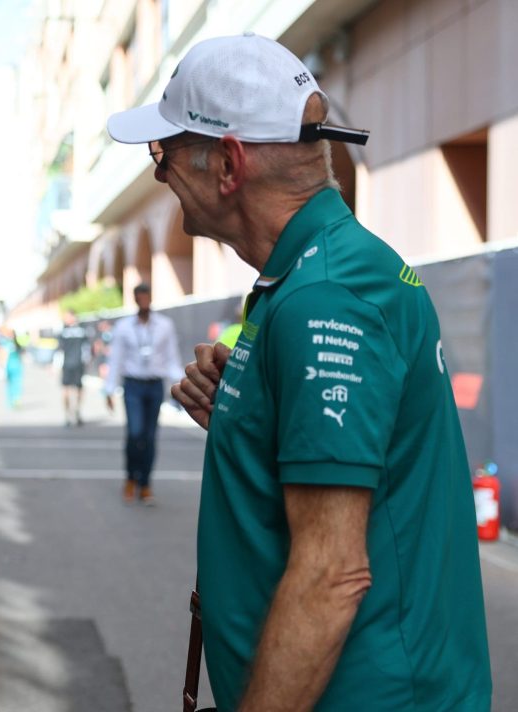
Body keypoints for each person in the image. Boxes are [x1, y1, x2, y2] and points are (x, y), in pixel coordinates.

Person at [110, 33, 491, 709]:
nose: (161, 177)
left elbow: (331, 575)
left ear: (228, 164)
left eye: (162, 154)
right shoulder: (311, 275)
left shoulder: (324, 297)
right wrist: (249, 417)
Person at [103, 283, 183, 505]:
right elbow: (116, 358)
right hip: (133, 385)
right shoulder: (124, 327)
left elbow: (172, 358)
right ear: (135, 299)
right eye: (140, 297)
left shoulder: (165, 325)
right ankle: (131, 477)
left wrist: (179, 385)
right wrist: (109, 389)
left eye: (146, 296)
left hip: (155, 385)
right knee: (135, 432)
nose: (144, 300)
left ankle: (145, 483)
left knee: (150, 436)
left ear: (151, 297)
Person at [56, 311, 89, 426]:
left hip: (76, 364)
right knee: (66, 390)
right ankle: (69, 414)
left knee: (78, 389)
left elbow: (86, 349)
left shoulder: (78, 331)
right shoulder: (68, 331)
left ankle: (76, 412)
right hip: (68, 364)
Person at [0, 328, 24, 409]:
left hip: (16, 365)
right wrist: (0, 366)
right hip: (9, 365)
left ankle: (15, 400)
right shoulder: (5, 343)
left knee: (16, 383)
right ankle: (11, 401)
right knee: (10, 384)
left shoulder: (15, 343)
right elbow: (1, 355)